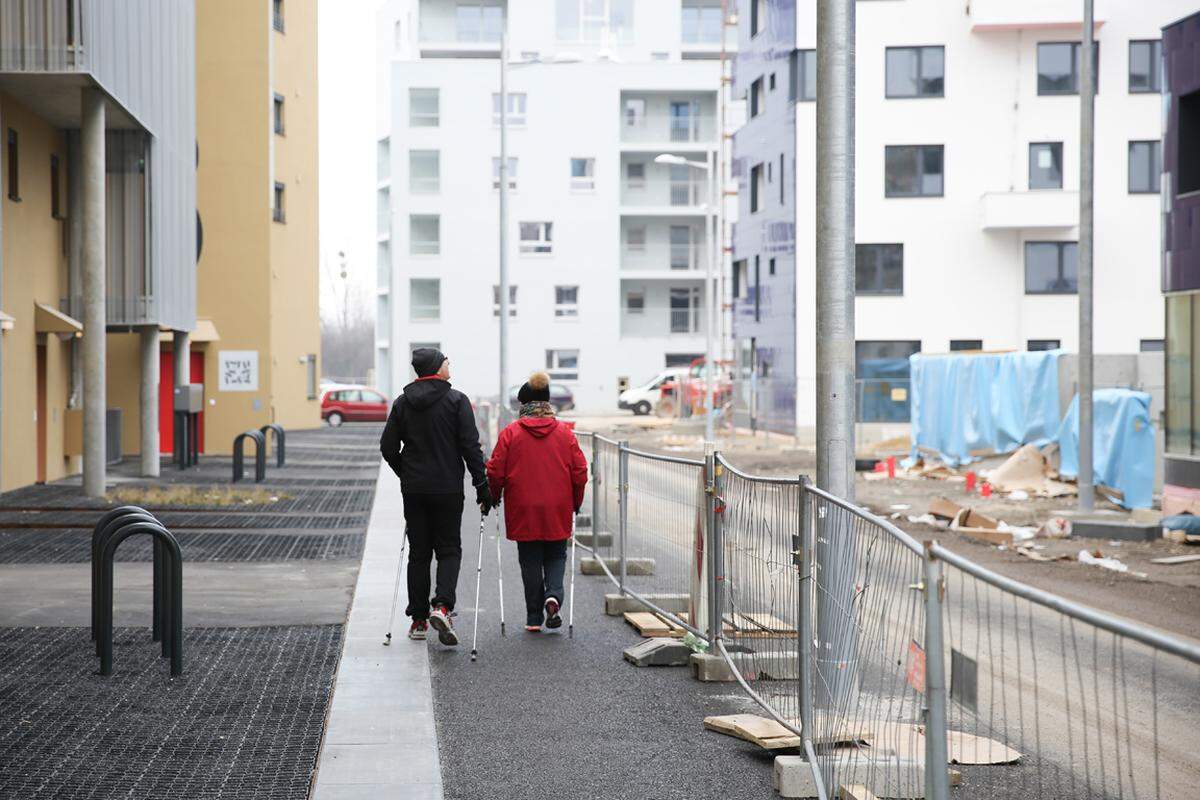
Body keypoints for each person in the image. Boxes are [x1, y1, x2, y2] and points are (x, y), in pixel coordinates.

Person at [380, 347, 493, 646]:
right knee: (448, 549)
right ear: (436, 367)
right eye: (446, 361)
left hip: (415, 489)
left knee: (418, 553)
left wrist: (405, 471)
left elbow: (388, 447)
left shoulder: (402, 403)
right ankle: (442, 606)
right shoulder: (457, 401)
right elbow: (471, 447)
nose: (449, 364)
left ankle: (418, 620)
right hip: (447, 488)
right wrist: (483, 487)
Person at [486, 371, 588, 632]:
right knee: (556, 554)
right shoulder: (565, 434)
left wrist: (493, 496)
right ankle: (553, 596)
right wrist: (576, 502)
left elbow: (495, 470)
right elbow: (579, 471)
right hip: (558, 506)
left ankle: (533, 618)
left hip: (523, 508)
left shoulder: (511, 433)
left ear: (524, 405)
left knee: (529, 559)